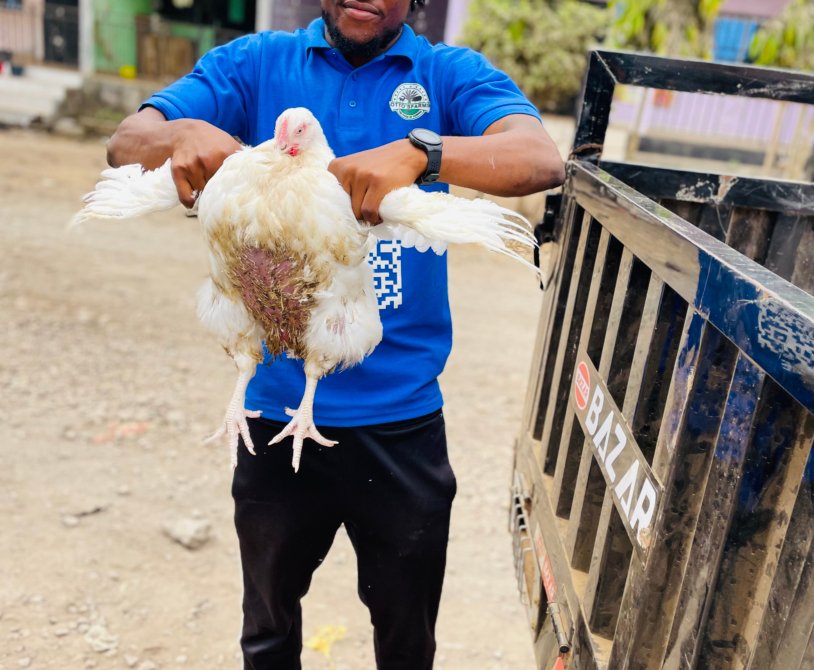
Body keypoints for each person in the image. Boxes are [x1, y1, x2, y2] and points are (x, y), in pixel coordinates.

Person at [107, 1, 565, 668]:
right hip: (275, 412)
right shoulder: (256, 65)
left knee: (407, 639)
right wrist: (177, 140)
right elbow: (128, 140)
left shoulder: (445, 74)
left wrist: (421, 152)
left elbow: (537, 159)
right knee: (267, 626)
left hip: (402, 421)